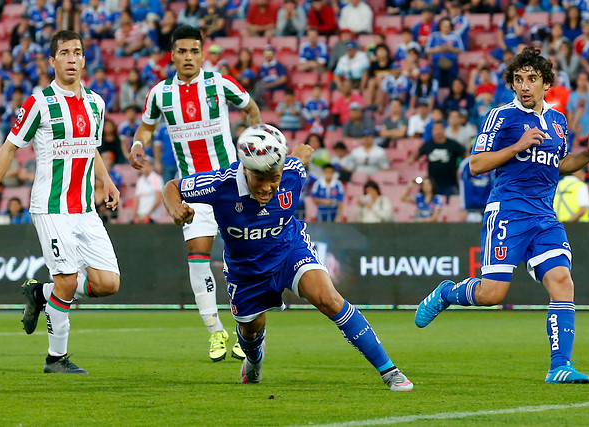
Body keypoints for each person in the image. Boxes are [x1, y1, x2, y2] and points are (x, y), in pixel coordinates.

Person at [414, 47, 589, 384]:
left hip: (544, 216)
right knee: (492, 295)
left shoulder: (558, 121)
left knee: (563, 282)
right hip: (508, 211)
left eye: (532, 79)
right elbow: (475, 165)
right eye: (519, 79)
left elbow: (560, 165)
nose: (524, 86)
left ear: (546, 84)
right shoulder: (501, 117)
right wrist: (518, 145)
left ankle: (560, 366)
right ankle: (446, 293)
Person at [162, 124, 412, 390]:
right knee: (250, 332)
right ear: (245, 168)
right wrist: (176, 208)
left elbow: (299, 159)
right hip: (246, 272)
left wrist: (301, 154)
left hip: (289, 251)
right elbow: (172, 186)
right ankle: (254, 360)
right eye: (260, 178)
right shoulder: (219, 184)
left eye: (275, 177)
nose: (268, 187)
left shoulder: (292, 172)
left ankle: (389, 371)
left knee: (328, 298)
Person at [0, 30, 121, 374]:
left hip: (85, 209)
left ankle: (41, 294)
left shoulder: (96, 103)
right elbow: (8, 148)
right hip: (50, 206)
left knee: (108, 283)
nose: (72, 58)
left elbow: (91, 148)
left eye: (77, 52)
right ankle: (56, 358)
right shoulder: (38, 103)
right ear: (52, 60)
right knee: (69, 281)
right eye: (64, 53)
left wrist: (107, 181)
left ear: (84, 59)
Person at [129, 25, 262, 362]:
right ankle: (215, 330)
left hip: (232, 182)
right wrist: (137, 143)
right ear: (172, 55)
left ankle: (246, 331)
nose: (188, 57)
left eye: (194, 51)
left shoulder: (219, 84)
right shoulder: (160, 93)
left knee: (245, 259)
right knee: (198, 255)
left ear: (203, 54)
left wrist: (254, 143)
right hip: (191, 186)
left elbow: (251, 108)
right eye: (182, 51)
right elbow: (146, 124)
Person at [132, 158, 163, 224]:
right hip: (140, 216)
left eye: (146, 165)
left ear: (151, 166)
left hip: (153, 217)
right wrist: (134, 216)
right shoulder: (140, 180)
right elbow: (136, 199)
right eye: (142, 165)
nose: (144, 167)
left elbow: (158, 199)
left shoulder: (156, 178)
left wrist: (147, 214)